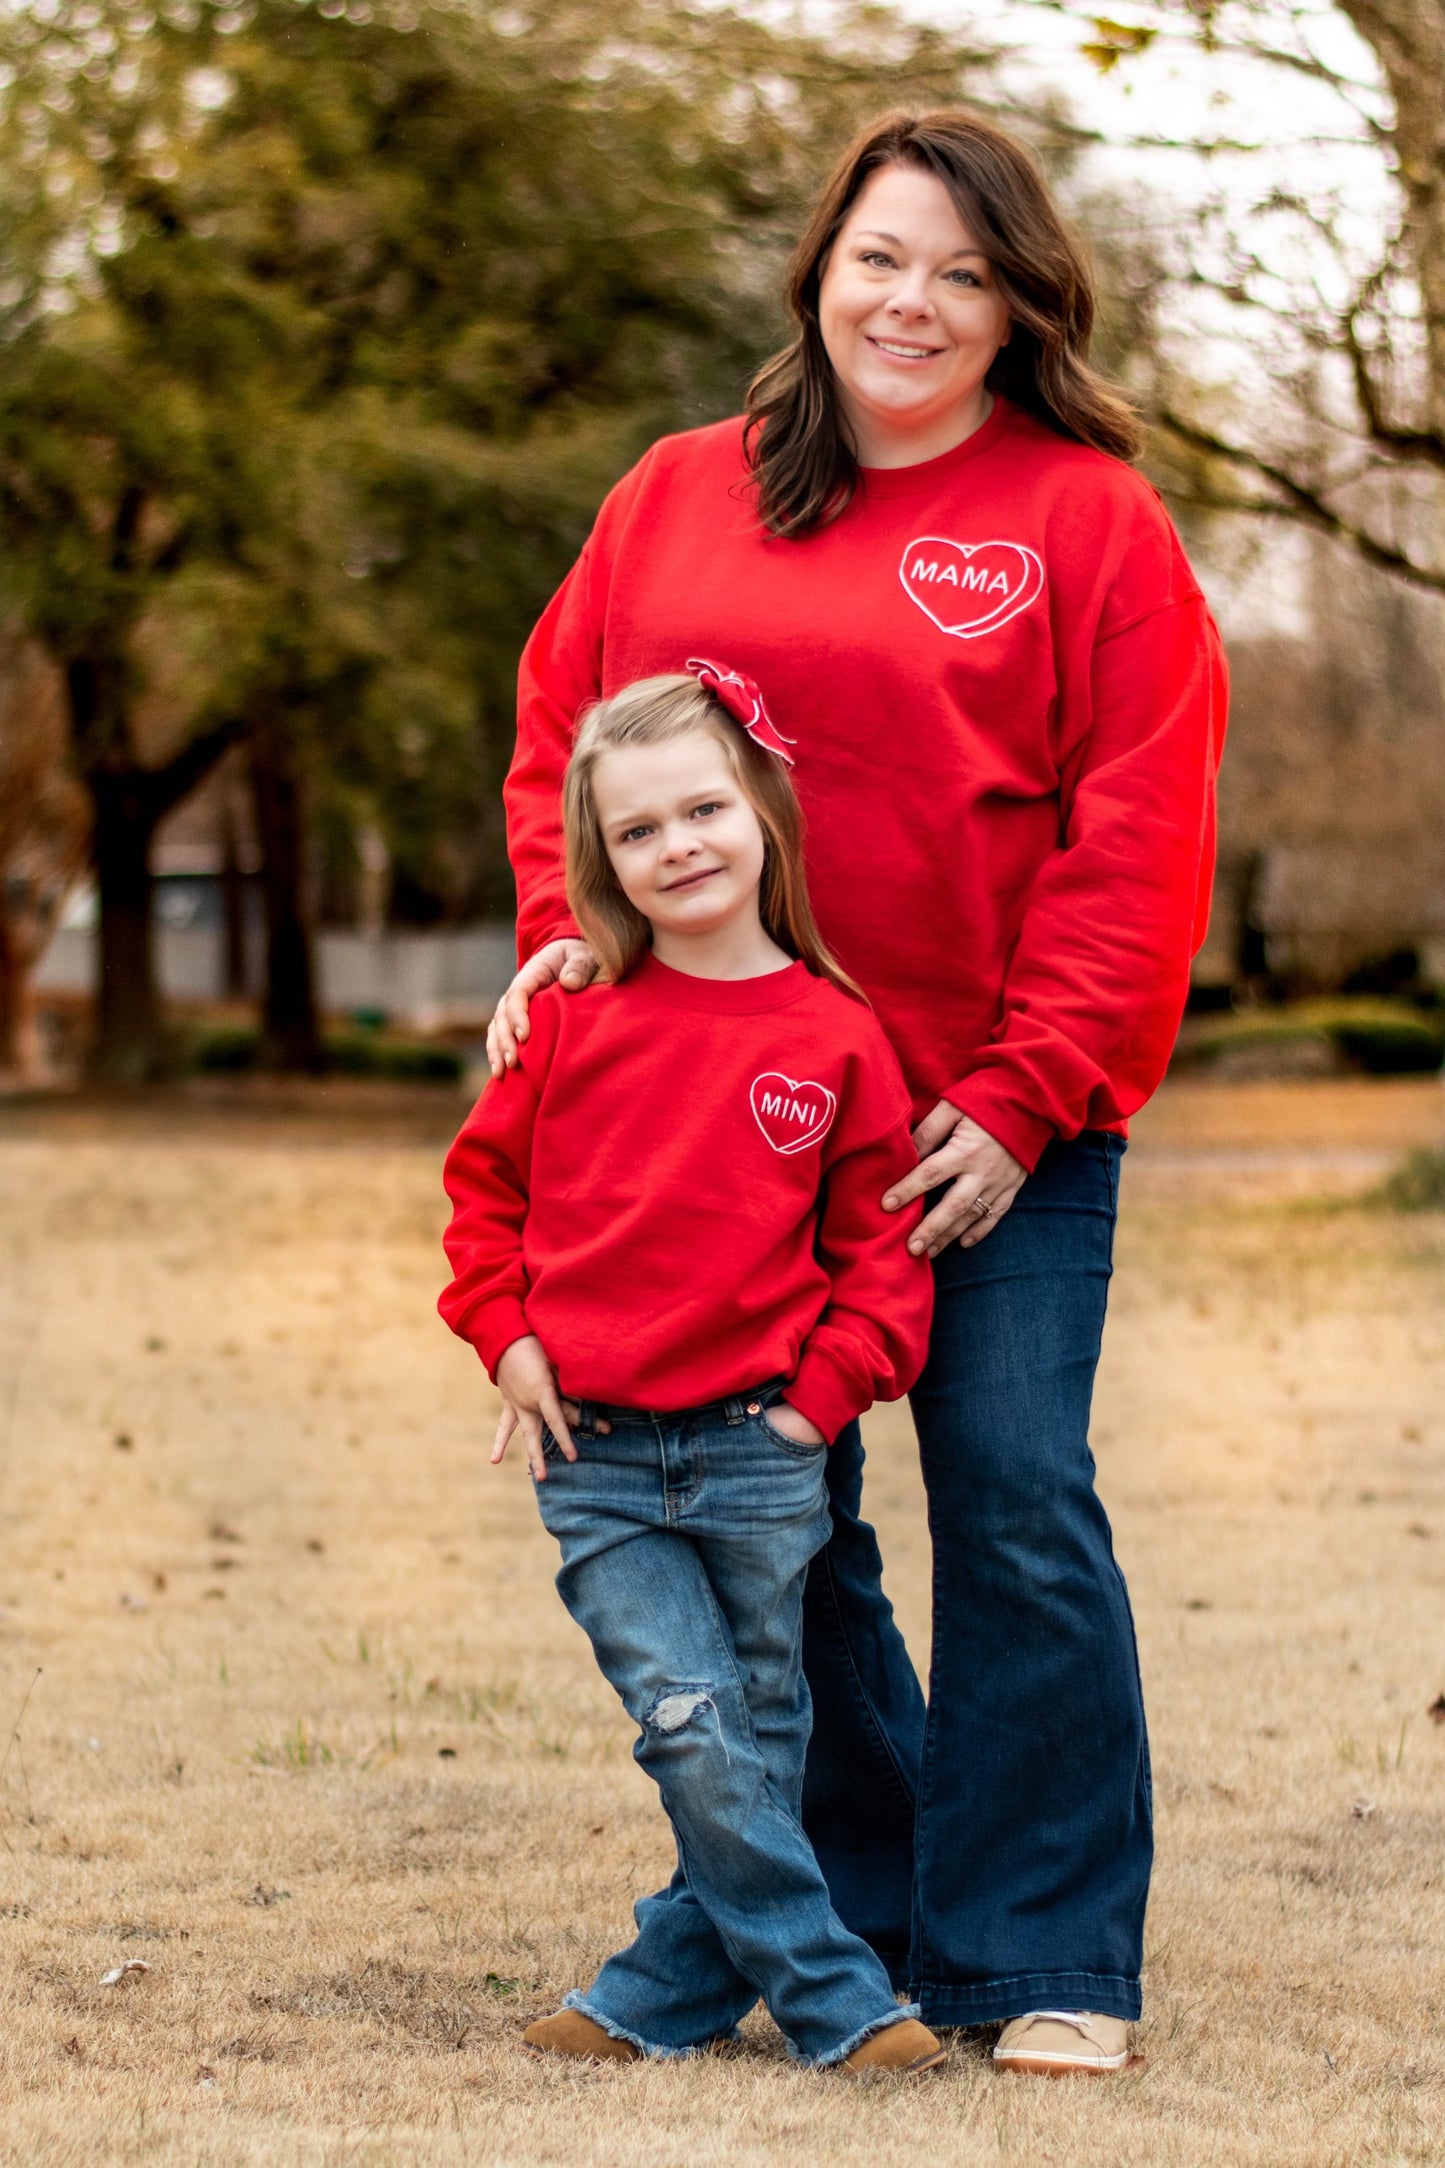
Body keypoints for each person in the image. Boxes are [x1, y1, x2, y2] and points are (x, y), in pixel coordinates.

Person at [488, 110, 1227, 2076]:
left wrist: (1028, 1087)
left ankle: (1041, 1947)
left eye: (964, 275)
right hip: (718, 1120)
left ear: (1018, 312)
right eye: (883, 258)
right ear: (822, 268)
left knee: (1014, 1497)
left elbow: (1141, 835)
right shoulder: (672, 500)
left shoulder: (1091, 524)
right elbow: (568, 731)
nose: (913, 303)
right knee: (768, 1517)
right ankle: (857, 1894)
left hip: (992, 1124)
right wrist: (580, 943)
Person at [439, 668, 942, 2072]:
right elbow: (480, 1203)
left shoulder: (837, 1038)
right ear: (599, 859)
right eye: (638, 830)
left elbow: (880, 1254)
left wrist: (817, 1404)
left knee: (760, 1729)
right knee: (689, 1718)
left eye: (705, 807)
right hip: (591, 1454)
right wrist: (508, 1334)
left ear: (764, 812)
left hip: (757, 1454)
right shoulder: (570, 1021)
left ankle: (650, 2001)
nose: (680, 846)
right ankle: (842, 2002)